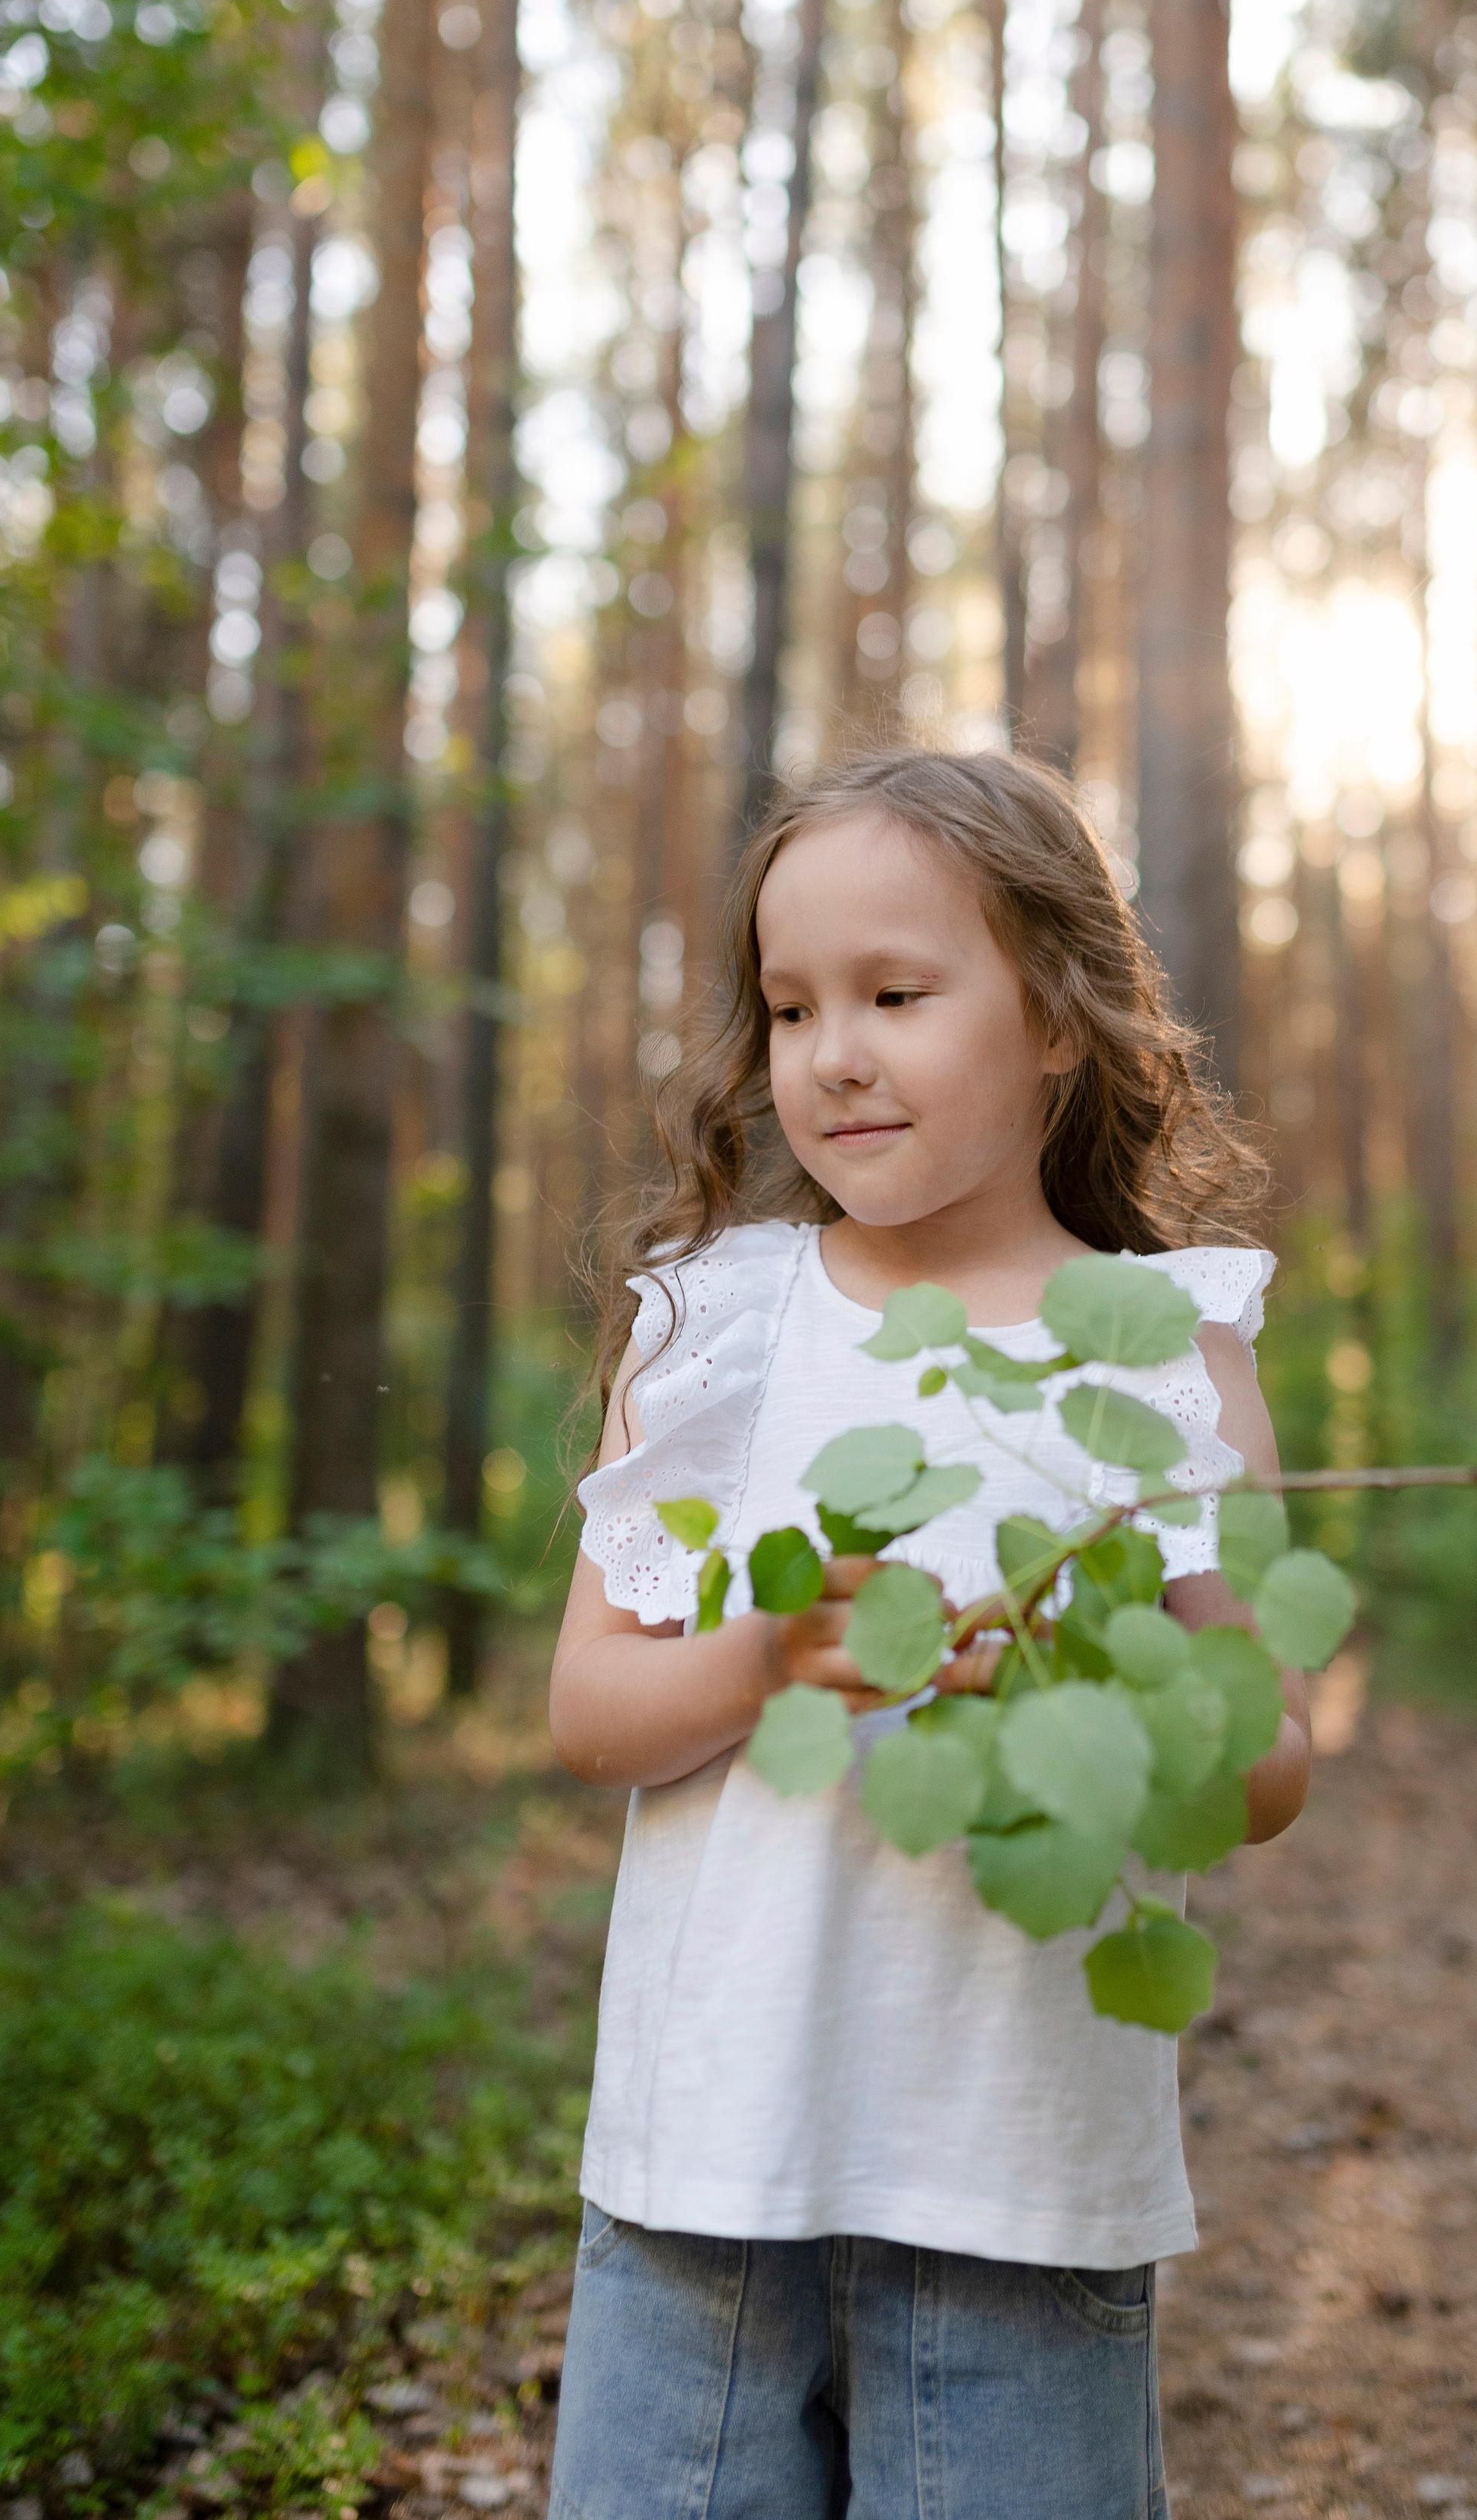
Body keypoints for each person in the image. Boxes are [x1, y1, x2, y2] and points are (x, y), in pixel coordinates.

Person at [546, 748, 1311, 2520]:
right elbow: (592, 1707)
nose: (831, 1050)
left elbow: (1263, 1766)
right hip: (704, 2171)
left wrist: (1103, 1683)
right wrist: (762, 1657)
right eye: (790, 1003)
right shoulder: (718, 1327)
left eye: (895, 992)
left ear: (1055, 1014)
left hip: (1019, 2170)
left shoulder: (1162, 1350)